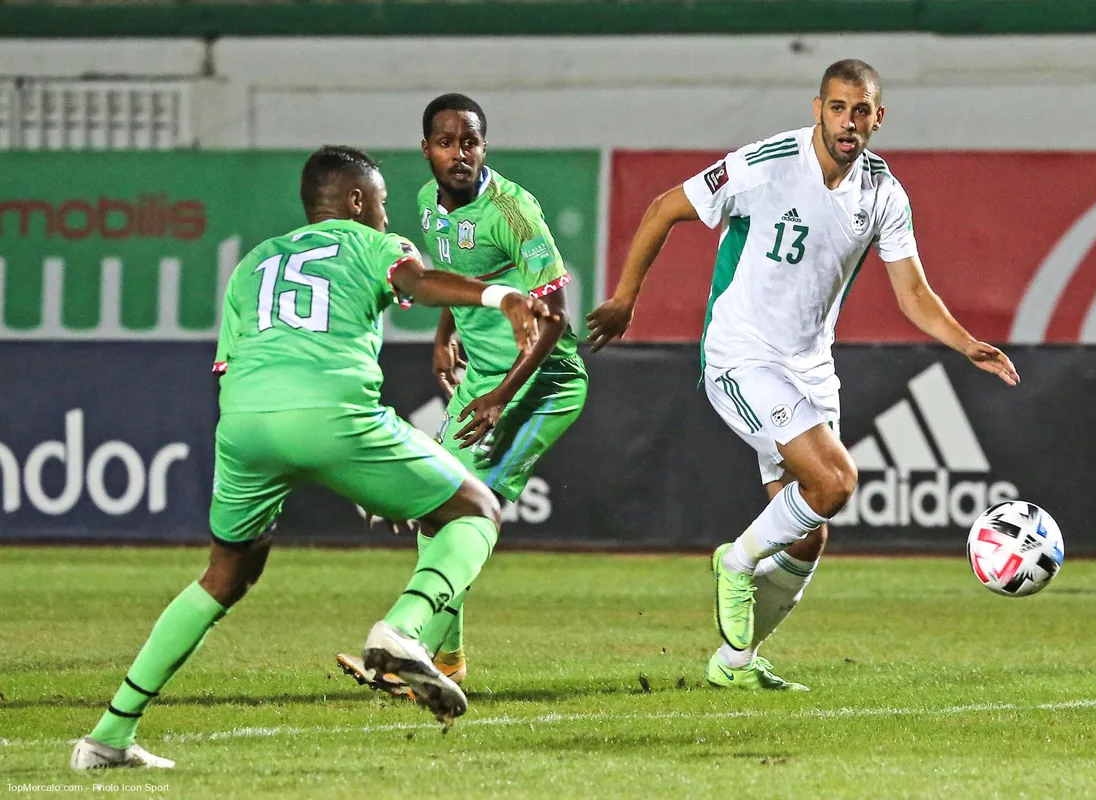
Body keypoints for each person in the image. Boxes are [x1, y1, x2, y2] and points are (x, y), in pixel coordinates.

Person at [70, 145, 554, 770]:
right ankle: (405, 630)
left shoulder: (253, 263)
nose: (384, 216)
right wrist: (500, 297)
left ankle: (108, 735)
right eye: (379, 204)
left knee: (225, 575)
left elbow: (231, 364)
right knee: (476, 509)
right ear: (357, 201)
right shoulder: (371, 243)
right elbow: (420, 281)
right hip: (333, 412)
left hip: (244, 422)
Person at [587, 59, 1019, 691]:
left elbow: (914, 291)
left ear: (879, 116)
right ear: (818, 108)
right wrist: (626, 297)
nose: (849, 122)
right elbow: (662, 208)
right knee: (837, 481)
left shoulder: (883, 193)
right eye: (838, 107)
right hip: (740, 356)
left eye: (861, 110)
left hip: (811, 368)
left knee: (808, 536)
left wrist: (966, 344)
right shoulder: (764, 165)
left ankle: (733, 664)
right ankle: (734, 561)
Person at [337, 93, 588, 698]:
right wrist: (445, 332)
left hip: (542, 385)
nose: (459, 154)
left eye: (470, 141)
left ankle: (407, 637)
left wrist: (503, 393)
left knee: (473, 508)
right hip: (480, 383)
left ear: (484, 145)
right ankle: (442, 662)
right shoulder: (427, 204)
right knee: (437, 512)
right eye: (446, 143)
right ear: (426, 149)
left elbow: (552, 317)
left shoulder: (515, 212)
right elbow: (463, 283)